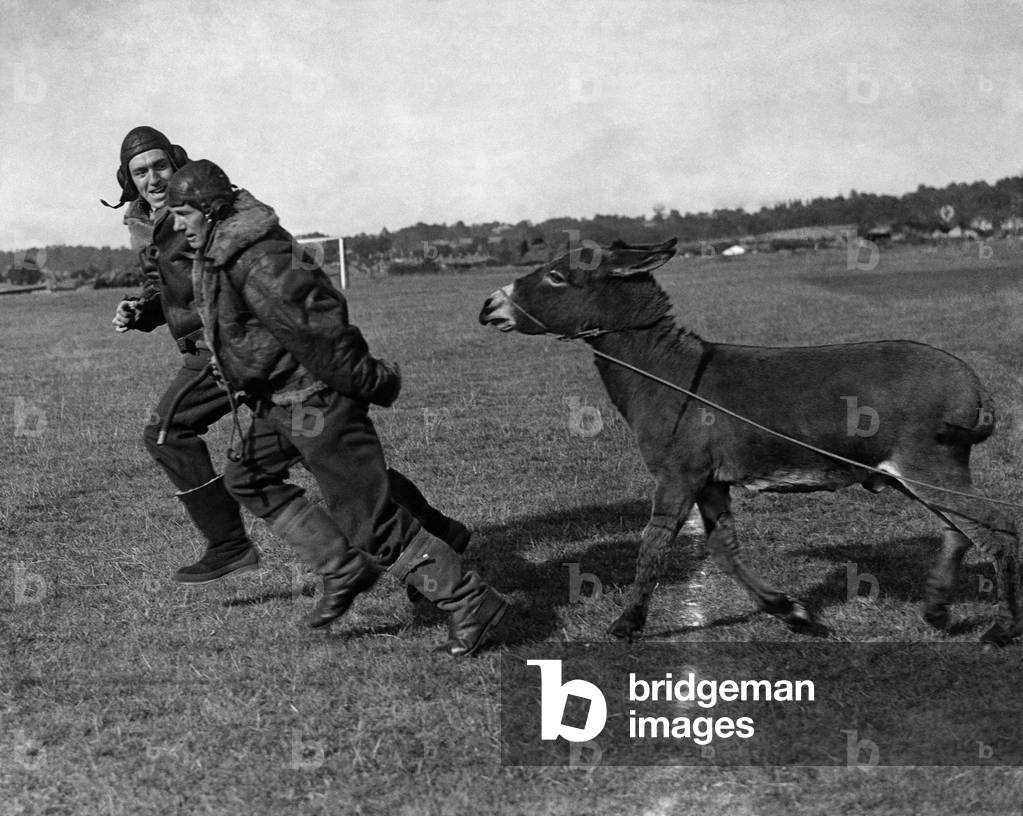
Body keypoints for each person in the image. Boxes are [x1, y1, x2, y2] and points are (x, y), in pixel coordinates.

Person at [165, 159, 507, 656]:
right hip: (278, 401)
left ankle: (469, 600)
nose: (177, 224)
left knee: (370, 522)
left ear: (210, 209)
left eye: (182, 213)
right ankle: (342, 567)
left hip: (316, 401)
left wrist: (370, 381)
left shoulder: (259, 259)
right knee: (248, 476)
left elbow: (319, 330)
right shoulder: (226, 249)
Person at [107, 128, 469, 594]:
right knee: (319, 454)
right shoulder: (148, 222)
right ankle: (442, 532)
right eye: (141, 171)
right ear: (128, 179)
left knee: (166, 432)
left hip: (230, 347)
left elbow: (235, 266)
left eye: (160, 165)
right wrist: (141, 310)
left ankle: (229, 544)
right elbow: (170, 291)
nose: (153, 177)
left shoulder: (203, 206)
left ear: (177, 163)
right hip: (223, 348)